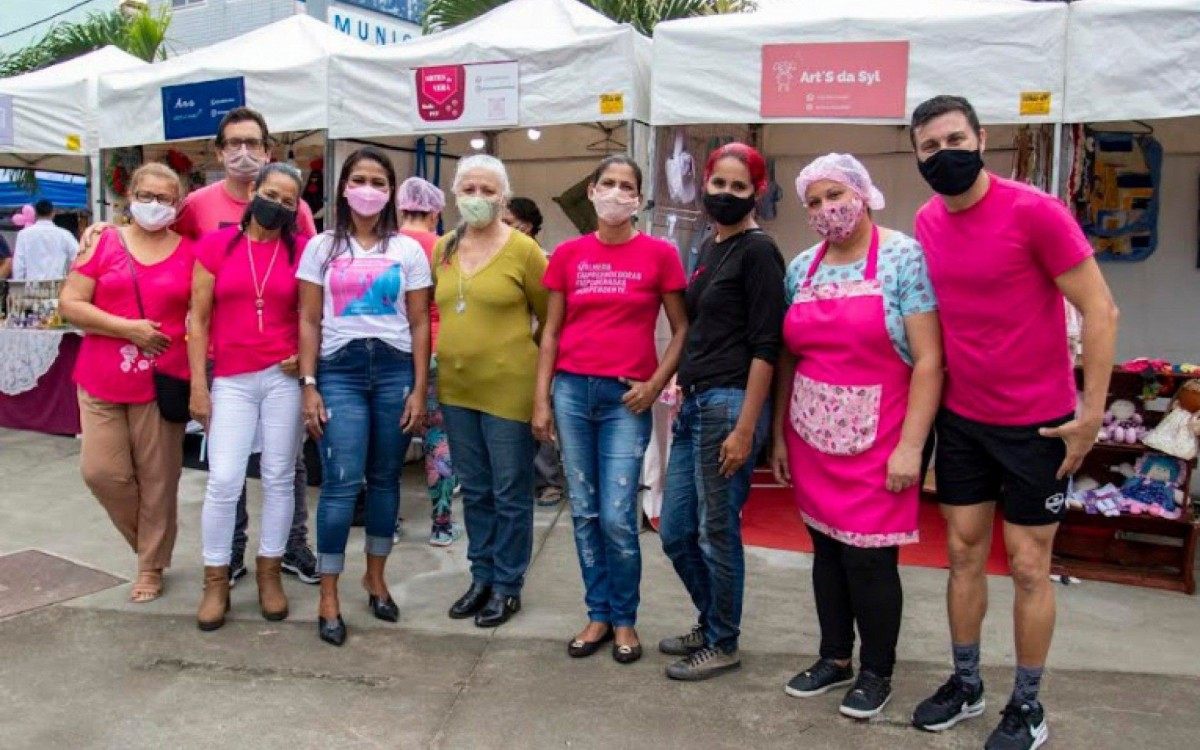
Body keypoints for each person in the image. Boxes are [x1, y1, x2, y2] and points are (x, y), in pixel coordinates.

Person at [907, 95, 1119, 750]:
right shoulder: (926, 220)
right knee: (963, 554)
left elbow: (1101, 310)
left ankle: (1026, 706)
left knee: (1029, 566)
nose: (946, 154)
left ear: (982, 137)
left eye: (955, 139)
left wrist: (1090, 416)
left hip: (1040, 426)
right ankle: (967, 684)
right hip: (965, 418)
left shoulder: (1035, 212)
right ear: (917, 156)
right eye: (931, 147)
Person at [83, 107, 321, 587]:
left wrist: (306, 355)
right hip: (216, 358)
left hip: (277, 363)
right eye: (233, 144)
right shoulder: (198, 205)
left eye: (253, 143)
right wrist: (108, 229)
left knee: (285, 466)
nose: (243, 153)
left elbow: (310, 284)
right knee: (225, 468)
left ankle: (290, 548)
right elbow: (160, 237)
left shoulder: (295, 213)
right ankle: (228, 557)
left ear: (268, 150)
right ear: (218, 151)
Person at [770, 154, 943, 719]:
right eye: (813, 202)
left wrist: (912, 447)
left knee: (870, 562)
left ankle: (877, 671)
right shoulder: (801, 268)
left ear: (863, 194)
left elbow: (929, 360)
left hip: (881, 440)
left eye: (834, 196)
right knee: (824, 552)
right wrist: (779, 437)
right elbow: (790, 359)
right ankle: (834, 657)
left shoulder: (901, 257)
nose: (825, 210)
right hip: (812, 434)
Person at [534, 156, 688, 664]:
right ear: (592, 191)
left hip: (627, 398)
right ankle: (598, 612)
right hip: (572, 393)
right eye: (608, 184)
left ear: (639, 199)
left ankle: (625, 619)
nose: (617, 193)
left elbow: (682, 329)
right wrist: (543, 399)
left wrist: (655, 384)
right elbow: (551, 332)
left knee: (619, 517)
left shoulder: (660, 255)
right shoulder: (568, 255)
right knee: (584, 511)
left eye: (627, 186)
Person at [658, 142, 786, 681]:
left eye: (740, 187)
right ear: (704, 184)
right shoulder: (710, 247)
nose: (727, 194)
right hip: (696, 401)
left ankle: (724, 640)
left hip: (729, 403)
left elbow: (766, 346)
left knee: (715, 530)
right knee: (676, 531)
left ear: (757, 192)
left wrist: (746, 428)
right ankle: (712, 621)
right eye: (719, 184)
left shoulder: (759, 251)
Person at [297, 147, 431, 646]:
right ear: (344, 187)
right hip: (340, 371)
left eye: (378, 181)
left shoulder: (409, 250)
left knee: (385, 480)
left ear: (391, 191)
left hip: (394, 368)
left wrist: (419, 388)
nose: (368, 189)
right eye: (359, 179)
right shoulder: (322, 248)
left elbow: (419, 323)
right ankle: (328, 592)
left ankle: (376, 578)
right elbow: (309, 319)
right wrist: (309, 385)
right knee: (340, 481)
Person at [58, 163, 194, 603]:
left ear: (178, 204)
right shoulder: (103, 243)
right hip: (100, 378)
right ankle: (150, 544)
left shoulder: (191, 253)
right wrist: (128, 329)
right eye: (147, 195)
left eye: (166, 198)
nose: (155, 205)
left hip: (163, 381)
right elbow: (71, 304)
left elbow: (205, 317)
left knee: (159, 479)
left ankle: (150, 566)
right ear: (130, 196)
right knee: (101, 472)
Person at [188, 164, 312, 631]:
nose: (276, 205)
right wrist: (199, 384)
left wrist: (304, 360)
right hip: (232, 380)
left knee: (279, 478)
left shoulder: (300, 252)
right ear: (253, 192)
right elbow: (196, 320)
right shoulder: (216, 245)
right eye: (271, 194)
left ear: (297, 208)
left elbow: (312, 317)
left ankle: (270, 572)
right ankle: (216, 579)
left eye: (288, 200)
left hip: (281, 379)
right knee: (223, 479)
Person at [435, 155, 549, 628]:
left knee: (510, 492)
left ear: (503, 196)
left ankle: (507, 585)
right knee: (475, 490)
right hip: (456, 388)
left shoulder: (524, 251)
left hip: (509, 389)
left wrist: (527, 362)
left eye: (487, 190)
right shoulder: (443, 246)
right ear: (455, 193)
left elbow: (551, 320)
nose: (477, 199)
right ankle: (480, 576)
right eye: (469, 189)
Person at [396, 176, 463, 547]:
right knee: (438, 439)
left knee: (388, 441)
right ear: (435, 211)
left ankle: (386, 522)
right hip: (437, 351)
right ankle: (440, 524)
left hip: (395, 351)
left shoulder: (387, 245)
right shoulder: (444, 247)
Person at [504, 196, 566, 507]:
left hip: (534, 350)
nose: (503, 230)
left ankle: (548, 481)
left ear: (527, 227)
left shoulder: (542, 260)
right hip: (503, 355)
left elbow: (549, 317)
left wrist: (537, 344)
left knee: (540, 414)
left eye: (510, 224)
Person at [13, 200, 78, 281]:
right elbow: (77, 257)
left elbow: (19, 263)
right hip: (57, 286)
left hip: (31, 286)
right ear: (53, 213)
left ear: (35, 214)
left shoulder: (23, 234)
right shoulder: (64, 234)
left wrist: (18, 284)